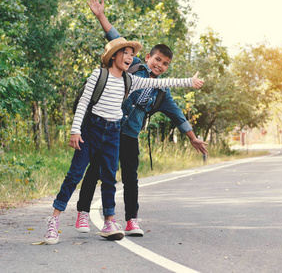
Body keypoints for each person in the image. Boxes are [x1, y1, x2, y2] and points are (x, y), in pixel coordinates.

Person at [44, 37, 204, 245]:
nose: (129, 57)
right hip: (92, 128)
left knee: (111, 178)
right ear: (114, 56)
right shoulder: (102, 74)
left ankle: (110, 220)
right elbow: (84, 101)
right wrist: (75, 130)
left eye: (131, 54)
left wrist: (188, 82)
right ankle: (56, 219)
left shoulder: (133, 81)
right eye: (125, 53)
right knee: (77, 174)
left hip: (116, 131)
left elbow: (165, 88)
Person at [74, 0, 208, 237]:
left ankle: (131, 220)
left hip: (130, 135)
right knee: (96, 171)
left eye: (165, 64)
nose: (160, 65)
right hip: (107, 127)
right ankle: (83, 212)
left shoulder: (162, 92)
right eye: (157, 59)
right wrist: (101, 15)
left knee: (131, 178)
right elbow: (115, 39)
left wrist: (192, 137)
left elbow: (178, 116)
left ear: (168, 68)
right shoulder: (132, 65)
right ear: (148, 58)